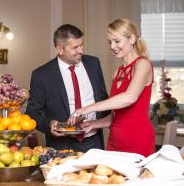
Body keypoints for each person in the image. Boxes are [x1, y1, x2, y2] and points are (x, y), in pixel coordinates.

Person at [69, 18, 155, 157]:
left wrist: (87, 109)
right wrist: (94, 124)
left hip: (137, 139)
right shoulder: (117, 73)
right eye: (110, 42)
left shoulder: (142, 64)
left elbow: (129, 98)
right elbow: (117, 116)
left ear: (132, 39)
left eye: (117, 41)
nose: (112, 46)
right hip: (114, 141)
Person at [25, 24, 110, 152]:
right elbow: (32, 112)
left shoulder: (93, 64)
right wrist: (49, 124)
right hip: (61, 146)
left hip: (94, 142)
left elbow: (103, 99)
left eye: (82, 44)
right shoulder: (42, 75)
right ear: (60, 49)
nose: (81, 50)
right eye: (75, 47)